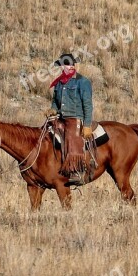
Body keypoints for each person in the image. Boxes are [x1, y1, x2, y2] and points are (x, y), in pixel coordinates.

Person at [46, 53, 94, 182]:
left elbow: (88, 105)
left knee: (72, 139)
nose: (63, 68)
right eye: (62, 66)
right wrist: (53, 109)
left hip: (75, 118)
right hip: (61, 117)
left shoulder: (83, 82)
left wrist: (87, 125)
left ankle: (76, 171)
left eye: (64, 66)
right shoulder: (59, 83)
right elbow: (55, 101)